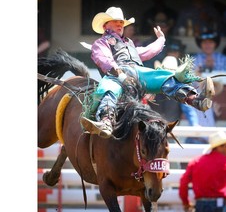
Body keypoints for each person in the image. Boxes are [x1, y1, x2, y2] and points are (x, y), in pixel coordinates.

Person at [79, 7, 216, 138]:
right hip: (116, 75)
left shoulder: (128, 43)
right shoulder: (101, 42)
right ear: (105, 26)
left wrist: (161, 39)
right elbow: (105, 59)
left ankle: (195, 99)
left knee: (165, 77)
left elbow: (146, 51)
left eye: (121, 22)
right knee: (109, 89)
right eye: (115, 22)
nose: (120, 24)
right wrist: (120, 75)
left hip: (139, 72)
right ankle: (106, 121)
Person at [179, 130, 226, 212]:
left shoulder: (196, 161)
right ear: (221, 146)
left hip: (201, 204)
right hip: (219, 204)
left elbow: (183, 182)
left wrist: (186, 203)